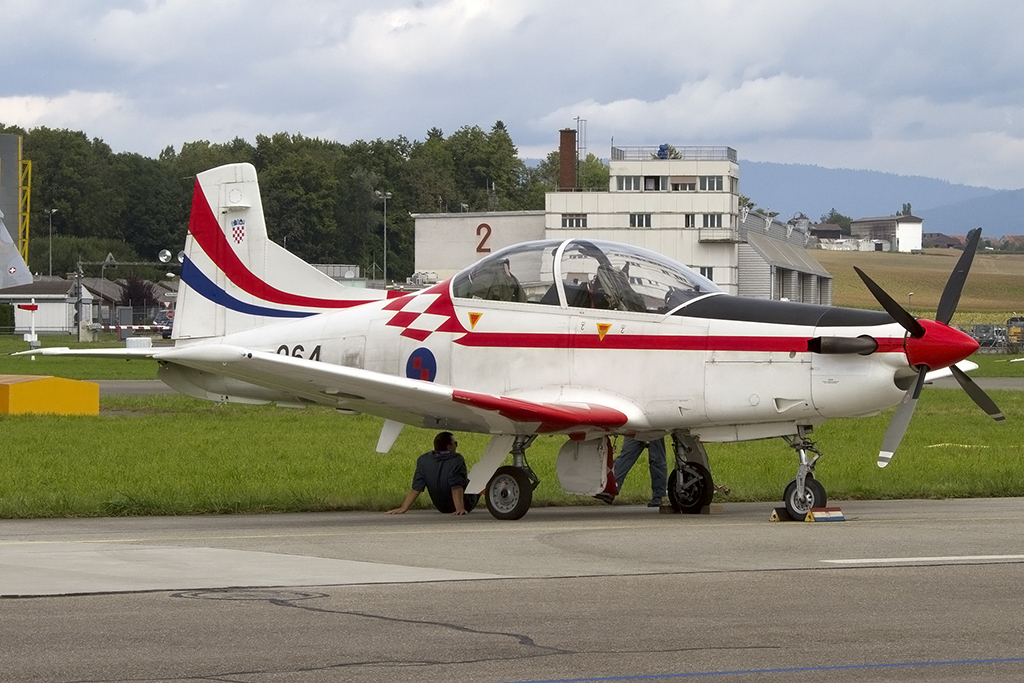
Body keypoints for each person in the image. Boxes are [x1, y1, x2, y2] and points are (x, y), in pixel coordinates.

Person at [387, 431, 479, 515]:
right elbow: (456, 485)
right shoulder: (456, 459)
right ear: (449, 447)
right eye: (455, 443)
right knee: (479, 475)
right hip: (465, 505)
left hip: (441, 507)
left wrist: (403, 508)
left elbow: (417, 487)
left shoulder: (423, 460)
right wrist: (460, 509)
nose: (456, 445)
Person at [595, 437, 668, 507]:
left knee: (656, 459)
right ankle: (611, 488)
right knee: (626, 456)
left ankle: (658, 495)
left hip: (652, 428)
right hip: (638, 427)